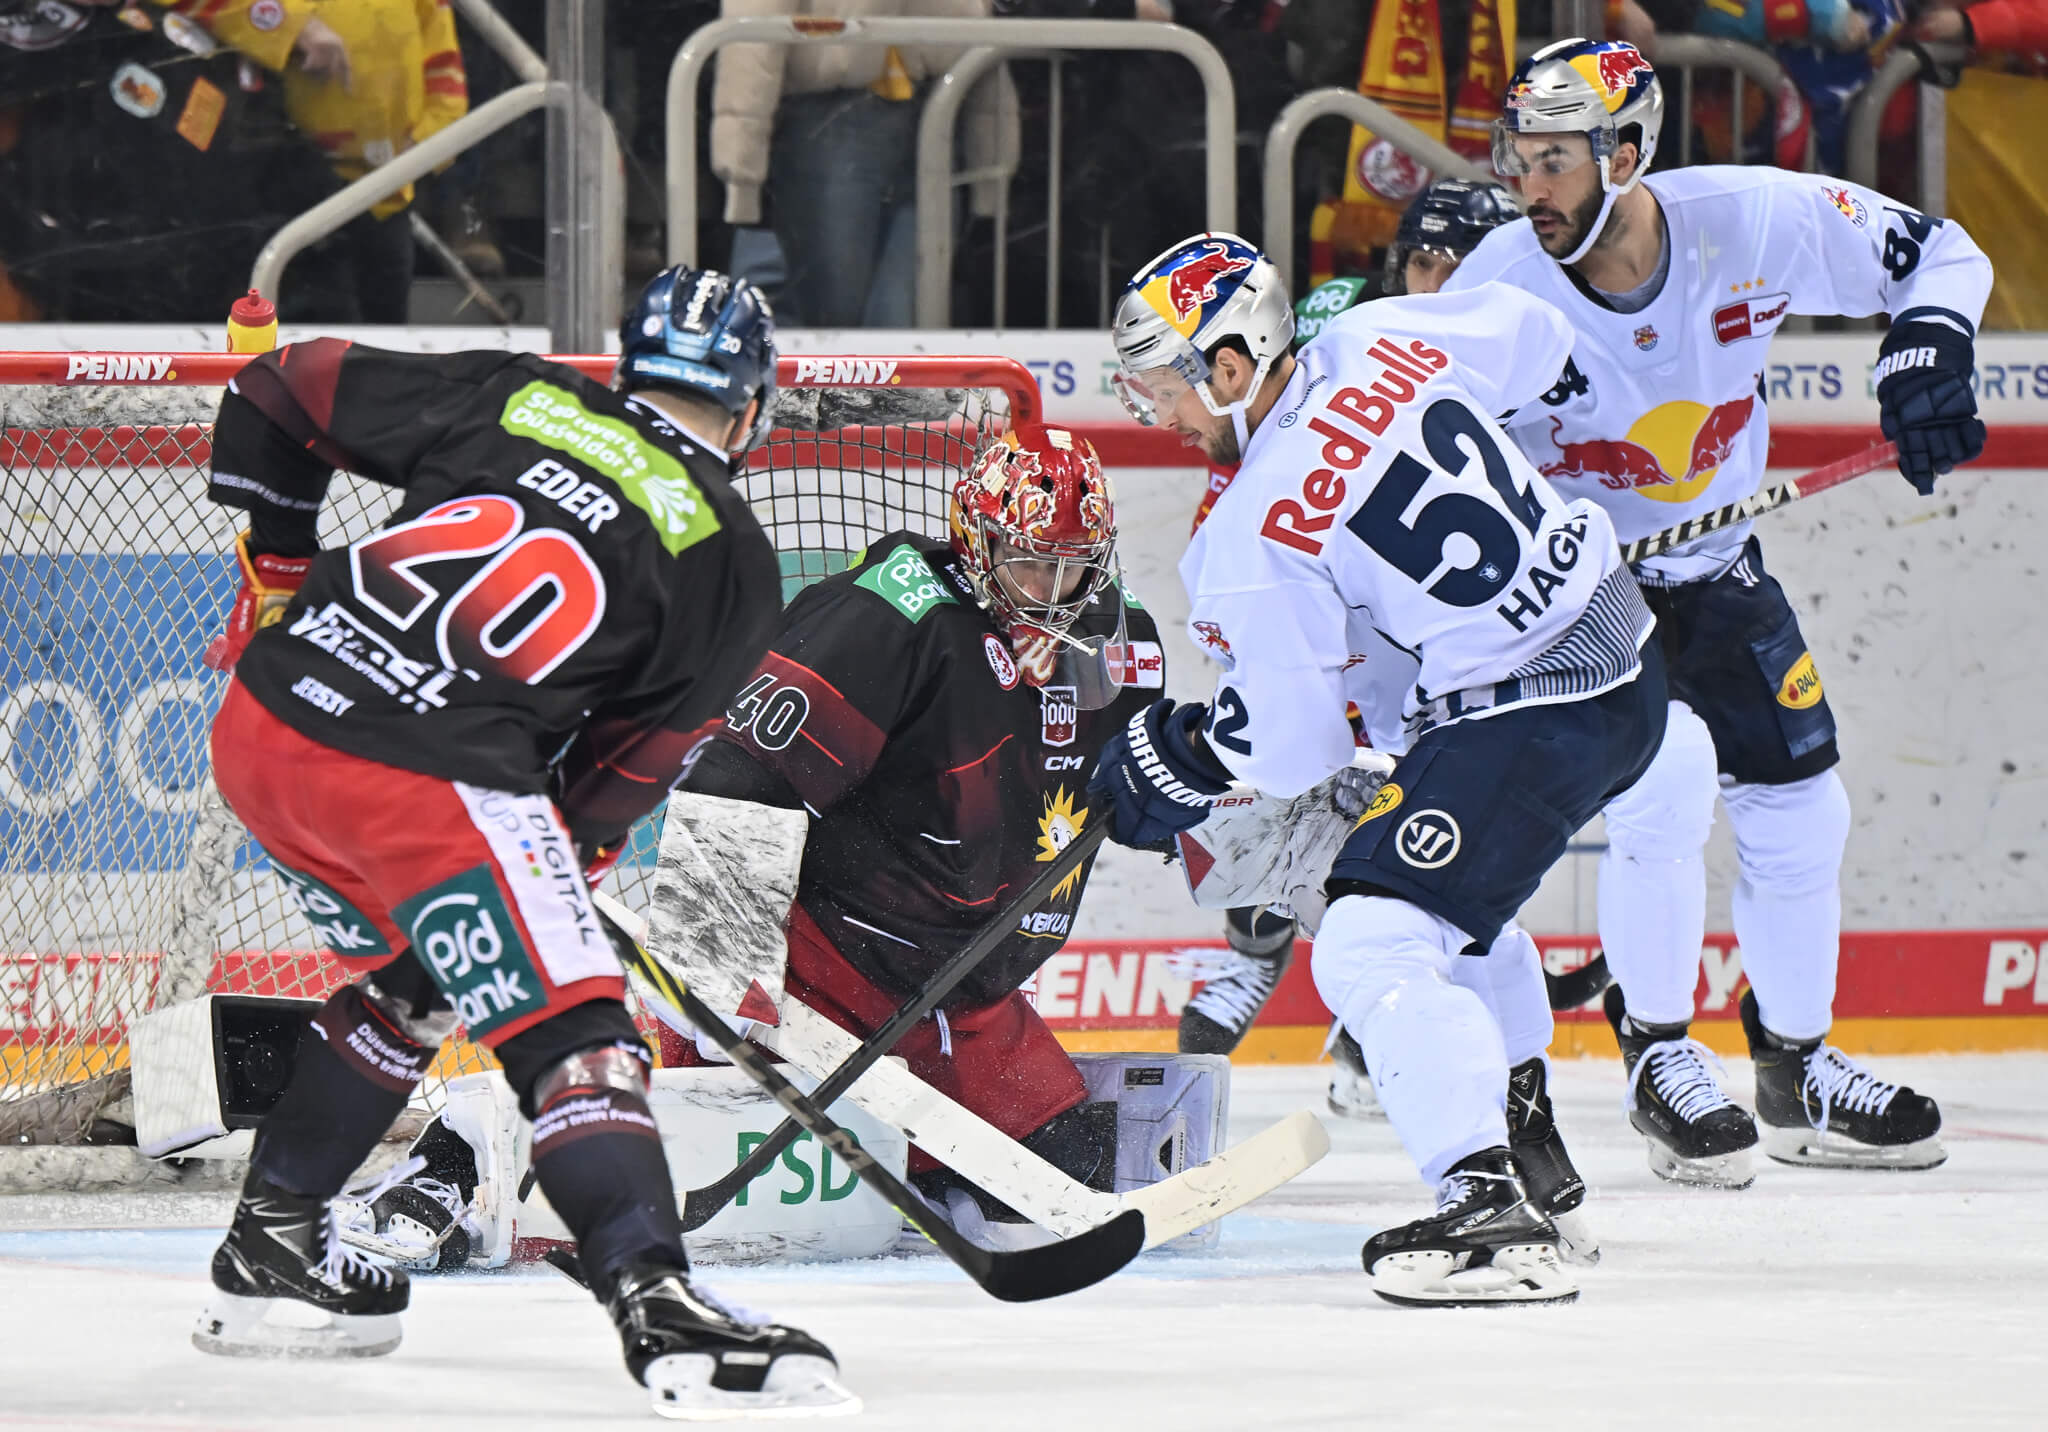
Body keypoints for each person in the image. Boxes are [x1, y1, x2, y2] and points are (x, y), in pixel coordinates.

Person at [191, 265, 857, 1418]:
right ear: (751, 410)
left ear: (630, 367)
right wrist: (563, 876)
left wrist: (286, 572)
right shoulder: (732, 559)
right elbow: (610, 789)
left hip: (265, 720)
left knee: (424, 979)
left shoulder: (520, 393)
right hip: (420, 775)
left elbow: (276, 388)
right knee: (576, 1033)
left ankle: (274, 1240)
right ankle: (660, 1298)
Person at [1446, 38, 1986, 1186]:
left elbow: (1937, 252)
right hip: (1584, 597)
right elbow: (1421, 453)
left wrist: (1927, 345)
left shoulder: (1748, 218)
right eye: (1515, 161)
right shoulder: (1491, 290)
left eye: (1551, 161)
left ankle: (1795, 1067)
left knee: (1804, 812)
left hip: (1718, 567)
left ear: (1626, 153)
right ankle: (1656, 1055)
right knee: (1668, 786)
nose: (1524, 187)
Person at [1100, 232, 1663, 1304]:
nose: (1156, 416)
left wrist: (1179, 755)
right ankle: (1525, 1129)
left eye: (1161, 389)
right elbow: (1546, 342)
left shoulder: (1250, 529)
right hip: (1624, 657)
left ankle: (1483, 1203)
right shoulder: (1382, 331)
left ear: (1228, 367)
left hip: (1533, 710)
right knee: (1449, 903)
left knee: (1367, 936)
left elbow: (1292, 748)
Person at [670, 423, 1165, 1237]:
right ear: (975, 540)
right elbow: (738, 775)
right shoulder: (891, 613)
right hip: (820, 976)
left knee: (1071, 1164)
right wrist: (715, 972)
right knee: (683, 1160)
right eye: (1031, 561)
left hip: (963, 1001)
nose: (1054, 587)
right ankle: (456, 1169)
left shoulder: (1120, 638)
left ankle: (925, 1176)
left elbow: (1137, 795)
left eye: (1076, 564)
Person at [1178, 180, 1520, 1070]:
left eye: (1462, 267)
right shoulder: (1349, 324)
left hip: (1425, 634)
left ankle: (1400, 1007)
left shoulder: (1472, 341)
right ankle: (1255, 951)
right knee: (1268, 773)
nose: (1438, 282)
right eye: (1424, 260)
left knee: (1420, 810)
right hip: (1302, 586)